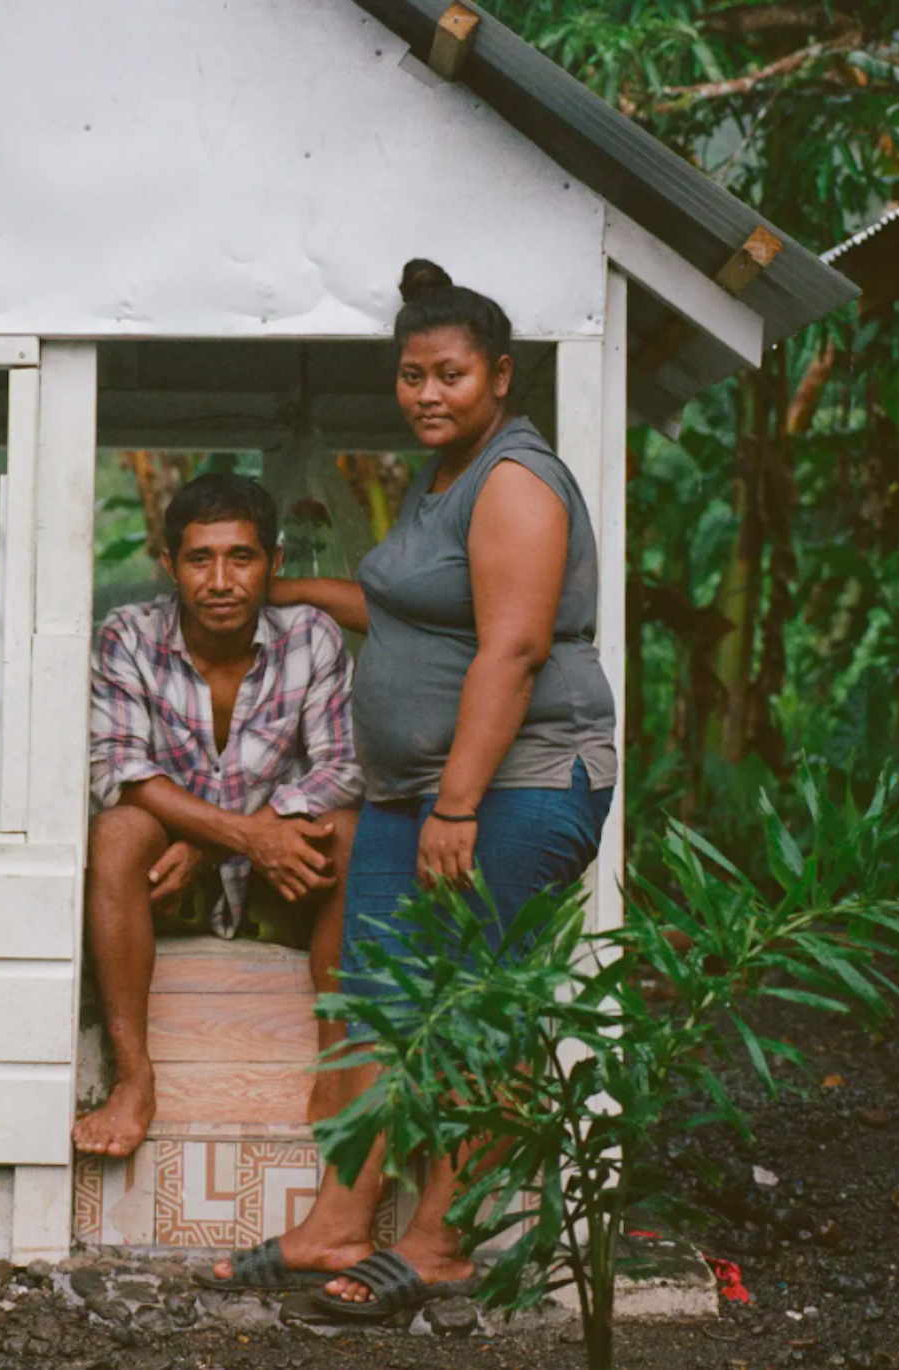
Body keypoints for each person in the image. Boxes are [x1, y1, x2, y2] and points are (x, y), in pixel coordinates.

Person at [201, 259, 617, 1314]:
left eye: (448, 375)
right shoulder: (437, 481)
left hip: (510, 783)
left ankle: (439, 1240)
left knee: (475, 1010)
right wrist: (284, 588)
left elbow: (512, 648)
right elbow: (404, 606)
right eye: (410, 376)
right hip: (409, 792)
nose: (427, 394)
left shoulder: (514, 480)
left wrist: (460, 804)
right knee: (384, 1009)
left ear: (499, 378)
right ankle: (337, 1222)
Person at [76, 472, 365, 1158]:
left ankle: (338, 1064)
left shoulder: (311, 638)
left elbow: (342, 768)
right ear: (170, 564)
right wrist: (241, 836)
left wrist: (216, 843)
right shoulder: (129, 636)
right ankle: (134, 1079)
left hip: (278, 883)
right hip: (168, 886)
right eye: (200, 559)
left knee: (351, 831)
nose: (221, 580)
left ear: (275, 564)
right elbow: (116, 766)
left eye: (242, 557)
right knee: (118, 830)